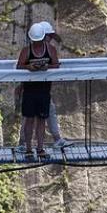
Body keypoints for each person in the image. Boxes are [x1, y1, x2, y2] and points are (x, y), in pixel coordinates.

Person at [17, 21, 66, 150]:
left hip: (43, 90)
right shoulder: (28, 51)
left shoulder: (49, 49)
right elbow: (19, 66)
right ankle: (27, 145)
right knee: (31, 119)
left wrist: (46, 67)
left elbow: (55, 64)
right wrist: (29, 68)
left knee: (40, 119)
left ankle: (35, 146)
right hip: (31, 90)